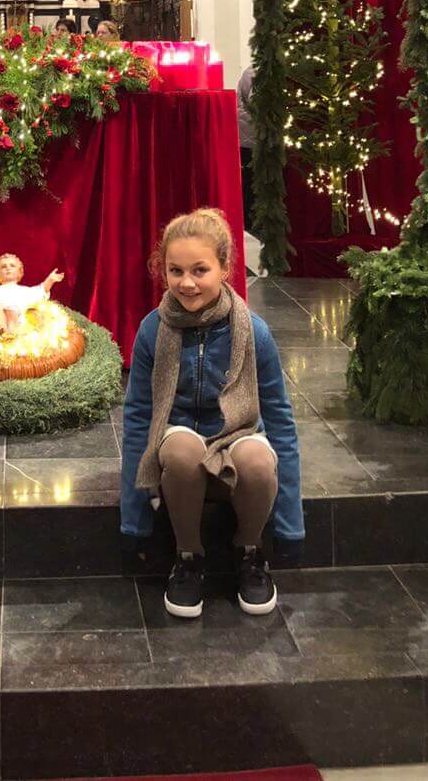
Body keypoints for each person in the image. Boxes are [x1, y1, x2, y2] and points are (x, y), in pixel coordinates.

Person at [120, 208, 302, 620]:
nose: (187, 282)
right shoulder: (153, 330)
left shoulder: (254, 331)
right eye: (175, 270)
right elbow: (137, 420)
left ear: (225, 269)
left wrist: (290, 521)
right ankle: (188, 557)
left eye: (200, 269)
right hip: (180, 455)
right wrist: (133, 516)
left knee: (257, 459)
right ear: (161, 270)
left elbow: (280, 421)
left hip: (237, 440)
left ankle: (251, 551)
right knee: (184, 449)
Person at [236, 64, 255, 233]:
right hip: (251, 137)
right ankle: (250, 222)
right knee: (250, 180)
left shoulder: (252, 70)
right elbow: (256, 102)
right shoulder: (254, 72)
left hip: (248, 135)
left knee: (249, 179)